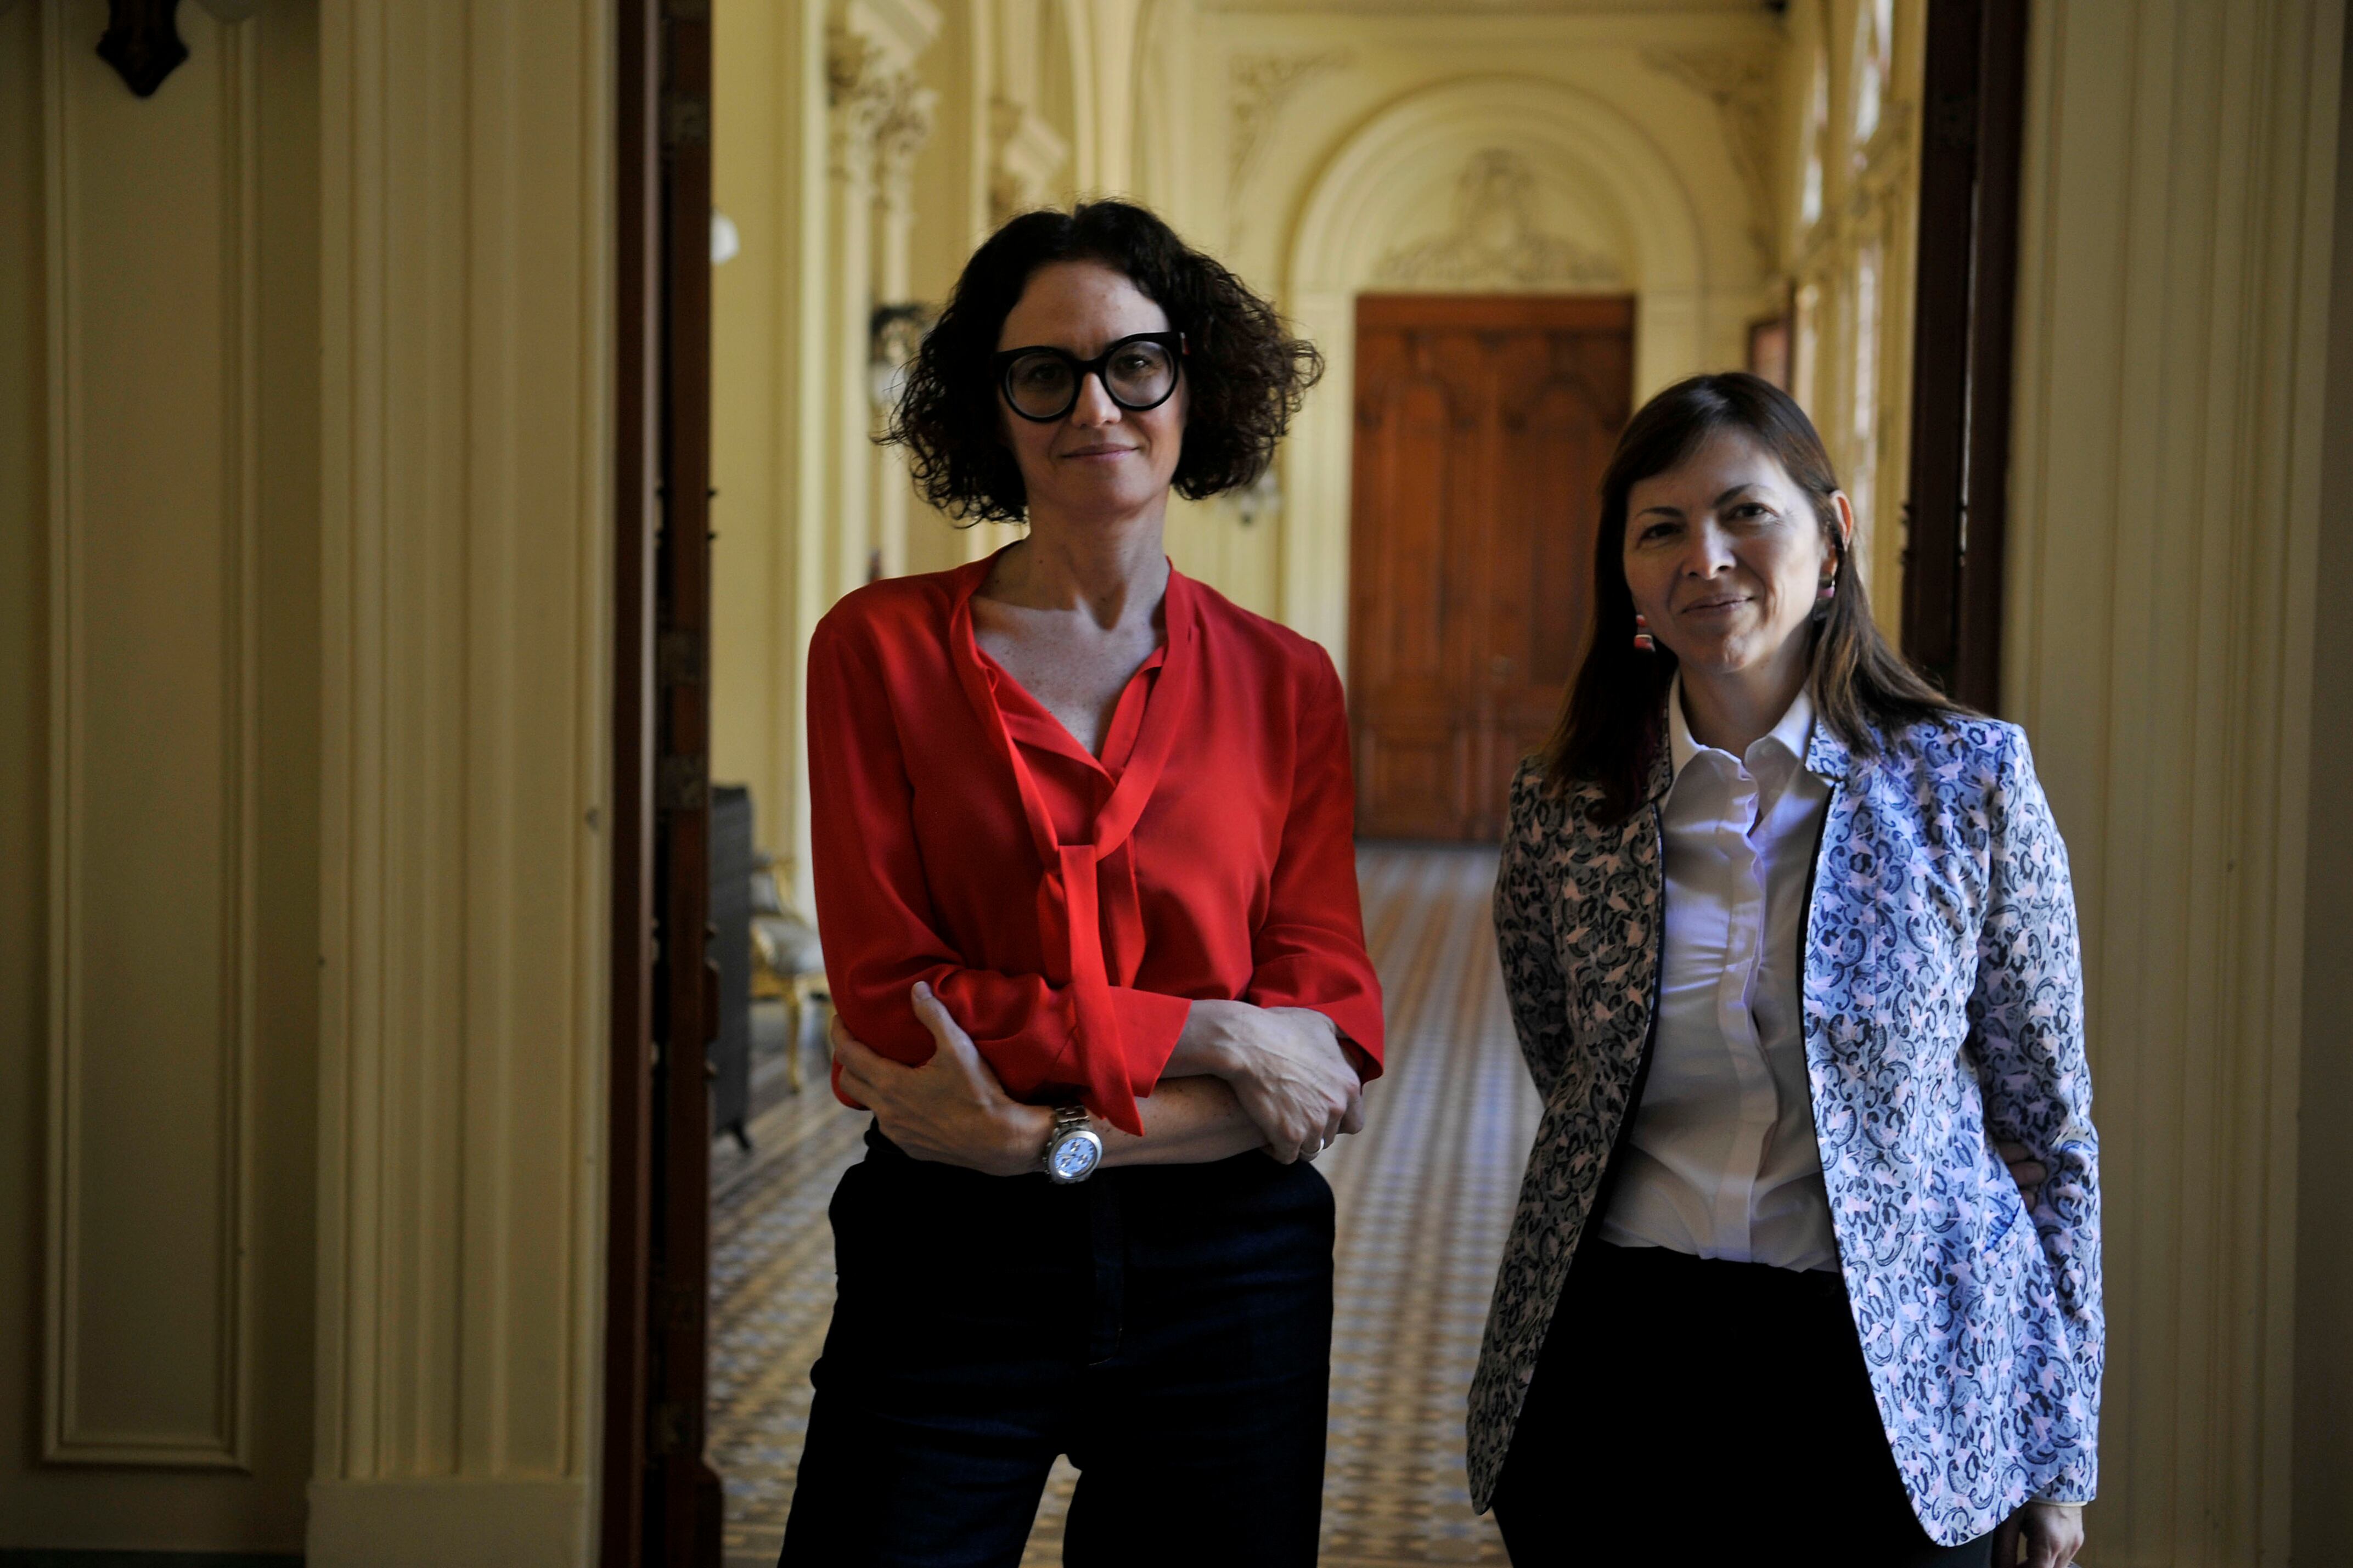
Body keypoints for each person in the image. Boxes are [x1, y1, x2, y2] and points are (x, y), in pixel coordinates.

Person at [778, 200, 1384, 1568]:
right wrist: (1213, 1032)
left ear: (1192, 383)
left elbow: (1329, 1032)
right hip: (946, 1267)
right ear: (991, 408)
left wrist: (1032, 1138)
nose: (1093, 406)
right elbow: (892, 1004)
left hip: (1231, 1270)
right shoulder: (873, 651)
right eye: (1042, 373)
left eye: (1133, 364)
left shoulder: (1286, 681)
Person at [1469, 373, 2101, 1567]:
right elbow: (1567, 1064)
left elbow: (2047, 1132)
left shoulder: (1966, 785)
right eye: (1659, 528)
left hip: (1893, 1372)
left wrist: (2056, 1448)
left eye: (1743, 512)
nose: (1704, 557)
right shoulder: (1565, 805)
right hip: (1619, 1358)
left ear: (1831, 535)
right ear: (1626, 574)